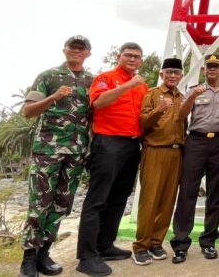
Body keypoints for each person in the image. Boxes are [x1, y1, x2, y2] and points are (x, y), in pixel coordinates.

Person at [19, 35, 94, 277]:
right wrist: (53, 98)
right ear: (65, 50)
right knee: (39, 203)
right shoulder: (48, 76)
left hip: (76, 152)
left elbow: (95, 117)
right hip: (47, 150)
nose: (76, 51)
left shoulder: (92, 81)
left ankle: (44, 253)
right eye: (73, 47)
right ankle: (28, 259)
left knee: (63, 204)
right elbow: (28, 111)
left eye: (81, 49)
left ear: (88, 54)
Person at [76, 42, 148, 277]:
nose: (132, 59)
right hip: (108, 143)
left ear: (141, 60)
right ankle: (86, 257)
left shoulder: (143, 86)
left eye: (137, 57)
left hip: (132, 144)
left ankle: (105, 246)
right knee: (97, 199)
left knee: (119, 197)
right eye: (128, 55)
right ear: (119, 56)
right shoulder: (106, 78)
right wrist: (128, 85)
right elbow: (98, 103)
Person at [170, 54, 219, 264]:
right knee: (188, 191)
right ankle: (181, 244)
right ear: (204, 70)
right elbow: (181, 115)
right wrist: (191, 97)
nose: (212, 70)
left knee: (216, 193)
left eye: (216, 67)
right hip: (196, 142)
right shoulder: (194, 90)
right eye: (209, 67)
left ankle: (208, 242)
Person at [131, 58, 185, 266]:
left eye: (176, 73)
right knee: (150, 200)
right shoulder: (152, 94)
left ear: (181, 75)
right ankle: (141, 246)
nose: (172, 76)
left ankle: (156, 241)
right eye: (169, 72)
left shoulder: (182, 97)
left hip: (176, 153)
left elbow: (184, 125)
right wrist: (160, 109)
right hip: (155, 151)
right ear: (162, 73)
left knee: (167, 200)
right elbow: (143, 122)